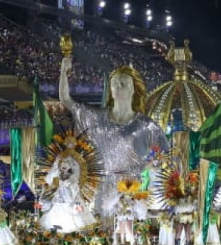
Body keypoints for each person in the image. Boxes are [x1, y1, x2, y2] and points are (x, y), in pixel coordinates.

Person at [57, 56, 168, 222]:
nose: (117, 87)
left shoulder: (146, 126)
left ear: (134, 89)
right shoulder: (97, 119)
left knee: (131, 228)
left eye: (123, 83)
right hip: (103, 188)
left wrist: (153, 172)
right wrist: (63, 71)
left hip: (133, 189)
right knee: (103, 229)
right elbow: (66, 100)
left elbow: (165, 159)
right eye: (114, 83)